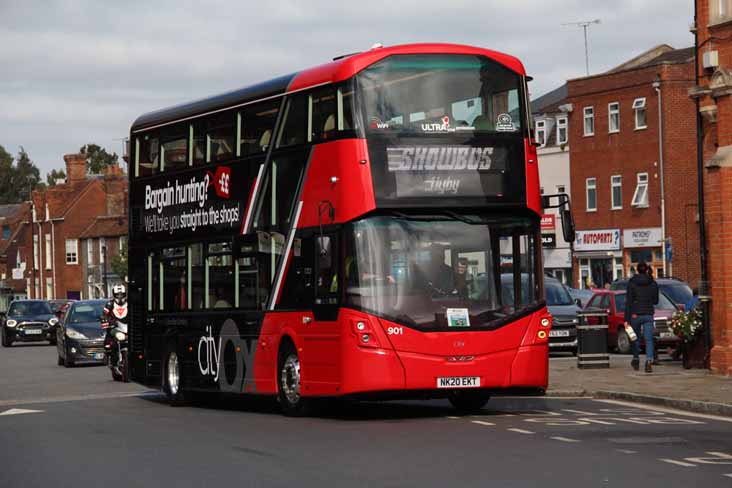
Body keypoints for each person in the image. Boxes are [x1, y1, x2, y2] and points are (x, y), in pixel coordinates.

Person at [624, 262, 659, 373]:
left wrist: (626, 318)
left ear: (637, 270)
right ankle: (649, 361)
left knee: (635, 337)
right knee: (649, 339)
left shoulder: (632, 282)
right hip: (648, 313)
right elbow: (656, 301)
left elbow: (628, 301)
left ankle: (636, 357)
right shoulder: (652, 283)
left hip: (635, 314)